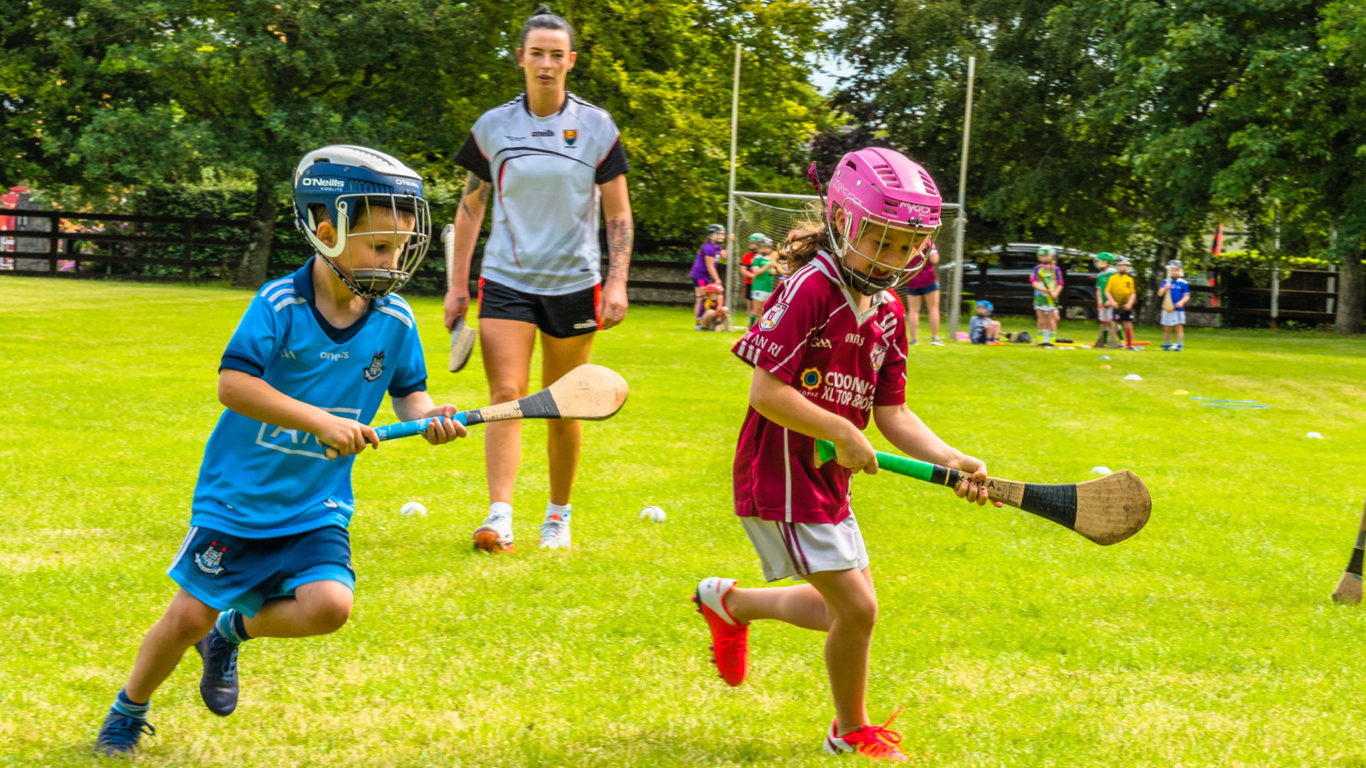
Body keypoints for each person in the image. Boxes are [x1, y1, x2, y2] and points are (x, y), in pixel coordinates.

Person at [92, 145, 467, 756]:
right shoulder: (280, 305)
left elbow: (411, 397)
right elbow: (233, 385)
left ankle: (230, 631)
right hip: (238, 499)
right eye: (379, 247)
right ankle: (128, 710)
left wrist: (431, 419)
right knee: (183, 616)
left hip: (317, 501)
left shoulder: (395, 319)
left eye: (400, 248)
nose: (393, 261)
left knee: (329, 606)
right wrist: (319, 421)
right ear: (327, 231)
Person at [692, 147, 995, 763]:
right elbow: (766, 392)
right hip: (781, 472)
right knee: (858, 608)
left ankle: (730, 602)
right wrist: (840, 429)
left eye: (908, 247)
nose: (896, 260)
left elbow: (893, 414)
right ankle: (849, 731)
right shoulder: (810, 287)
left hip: (829, 479)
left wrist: (953, 458)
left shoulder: (887, 312)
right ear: (843, 222)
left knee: (843, 613)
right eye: (882, 243)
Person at [444, 5, 633, 552]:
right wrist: (458, 287)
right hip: (506, 280)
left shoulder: (597, 127)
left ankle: (557, 515)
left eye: (556, 55)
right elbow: (469, 210)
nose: (546, 64)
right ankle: (498, 516)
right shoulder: (494, 127)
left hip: (575, 283)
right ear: (521, 59)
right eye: (536, 54)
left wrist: (617, 282)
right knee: (506, 394)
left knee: (562, 403)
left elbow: (617, 213)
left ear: (570, 61)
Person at [897, 243, 942, 345]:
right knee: (933, 308)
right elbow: (934, 259)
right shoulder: (928, 242)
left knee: (913, 311)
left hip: (912, 279)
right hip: (928, 278)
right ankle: (935, 338)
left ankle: (913, 339)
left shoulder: (909, 240)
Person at [691, 223, 726, 328]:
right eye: (719, 234)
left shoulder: (717, 246)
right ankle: (699, 323)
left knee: (707, 298)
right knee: (702, 298)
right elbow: (710, 266)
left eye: (722, 234)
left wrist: (730, 242)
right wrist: (717, 279)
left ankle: (708, 323)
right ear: (712, 235)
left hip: (706, 276)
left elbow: (725, 256)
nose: (721, 236)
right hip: (700, 277)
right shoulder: (708, 248)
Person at [1030, 245, 1063, 347]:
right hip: (1040, 298)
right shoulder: (1037, 269)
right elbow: (1034, 283)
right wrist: (1042, 289)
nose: (1043, 258)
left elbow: (1060, 283)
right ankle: (1041, 342)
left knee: (1051, 320)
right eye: (1041, 256)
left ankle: (1050, 342)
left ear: (1051, 256)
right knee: (1041, 320)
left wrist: (1056, 293)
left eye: (1045, 256)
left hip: (1051, 299)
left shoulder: (1056, 270)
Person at [1106, 256, 1138, 349]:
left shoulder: (1129, 279)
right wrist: (1112, 301)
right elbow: (1107, 291)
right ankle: (1113, 343)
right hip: (1116, 305)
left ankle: (1129, 345)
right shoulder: (1112, 278)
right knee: (1114, 323)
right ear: (1117, 267)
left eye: (1126, 266)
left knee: (1128, 324)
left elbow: (1133, 293)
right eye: (1121, 266)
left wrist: (1130, 303)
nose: (1124, 268)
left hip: (1126, 305)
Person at [1158, 259, 1190, 351]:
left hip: (1178, 309)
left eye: (1176, 270)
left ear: (1180, 271)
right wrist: (1165, 289)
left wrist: (1181, 302)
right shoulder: (1166, 281)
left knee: (1178, 327)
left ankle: (1179, 345)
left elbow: (1187, 296)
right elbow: (1160, 293)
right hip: (1167, 308)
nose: (1174, 272)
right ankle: (1167, 344)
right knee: (1167, 327)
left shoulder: (1183, 283)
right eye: (1172, 270)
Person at [747, 235, 779, 319]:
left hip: (767, 288)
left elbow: (771, 271)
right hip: (759, 287)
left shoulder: (770, 258)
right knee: (756, 309)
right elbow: (756, 272)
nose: (765, 250)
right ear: (759, 248)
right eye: (763, 247)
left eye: (767, 248)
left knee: (765, 310)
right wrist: (767, 267)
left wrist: (773, 271)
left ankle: (761, 329)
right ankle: (750, 330)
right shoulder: (757, 258)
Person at [1092, 252, 1118, 348]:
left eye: (1098, 261)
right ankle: (1101, 340)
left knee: (1112, 321)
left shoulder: (1113, 274)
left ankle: (1113, 341)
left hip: (1111, 301)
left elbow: (1115, 288)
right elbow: (1098, 289)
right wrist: (1099, 301)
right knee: (1103, 321)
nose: (1097, 264)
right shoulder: (1100, 275)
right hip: (1103, 301)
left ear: (1105, 262)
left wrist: (1111, 300)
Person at [739, 231, 765, 325]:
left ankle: (760, 323)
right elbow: (743, 270)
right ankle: (751, 322)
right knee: (750, 302)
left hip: (762, 285)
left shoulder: (765, 256)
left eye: (754, 244)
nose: (752, 246)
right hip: (750, 283)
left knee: (761, 304)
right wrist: (753, 276)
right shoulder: (747, 256)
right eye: (751, 243)